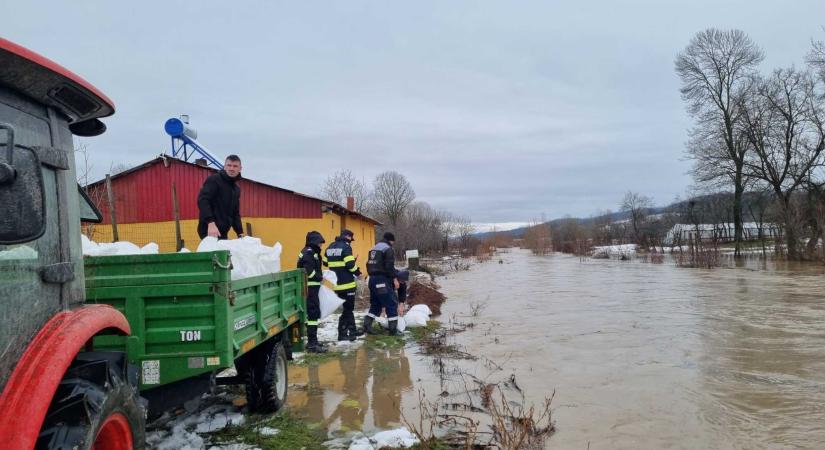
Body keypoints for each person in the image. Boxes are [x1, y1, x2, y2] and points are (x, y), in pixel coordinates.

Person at [323, 229, 363, 341]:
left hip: (337, 285)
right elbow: (350, 265)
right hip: (347, 284)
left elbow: (325, 262)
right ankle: (343, 333)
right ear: (348, 237)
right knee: (348, 309)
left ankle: (352, 331)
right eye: (351, 239)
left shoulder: (330, 246)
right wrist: (358, 273)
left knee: (347, 309)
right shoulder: (346, 247)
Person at [197, 154, 244, 239]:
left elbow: (235, 213)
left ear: (240, 168)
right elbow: (203, 200)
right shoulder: (214, 180)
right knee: (214, 252)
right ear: (224, 167)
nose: (231, 168)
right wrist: (210, 223)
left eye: (235, 166)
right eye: (229, 165)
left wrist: (240, 232)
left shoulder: (236, 189)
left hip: (223, 232)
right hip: (209, 229)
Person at [363, 232, 401, 336]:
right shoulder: (388, 249)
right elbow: (389, 266)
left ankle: (367, 326)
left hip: (372, 279)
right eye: (393, 242)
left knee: (376, 303)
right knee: (391, 303)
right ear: (391, 240)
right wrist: (394, 278)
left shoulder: (373, 248)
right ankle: (393, 330)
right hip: (381, 280)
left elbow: (368, 264)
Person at [298, 231, 327, 353]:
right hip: (310, 288)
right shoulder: (309, 253)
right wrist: (320, 277)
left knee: (313, 314)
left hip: (312, 288)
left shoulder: (310, 252)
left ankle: (313, 341)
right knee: (312, 314)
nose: (321, 245)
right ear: (315, 242)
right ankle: (312, 344)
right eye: (320, 243)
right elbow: (309, 271)